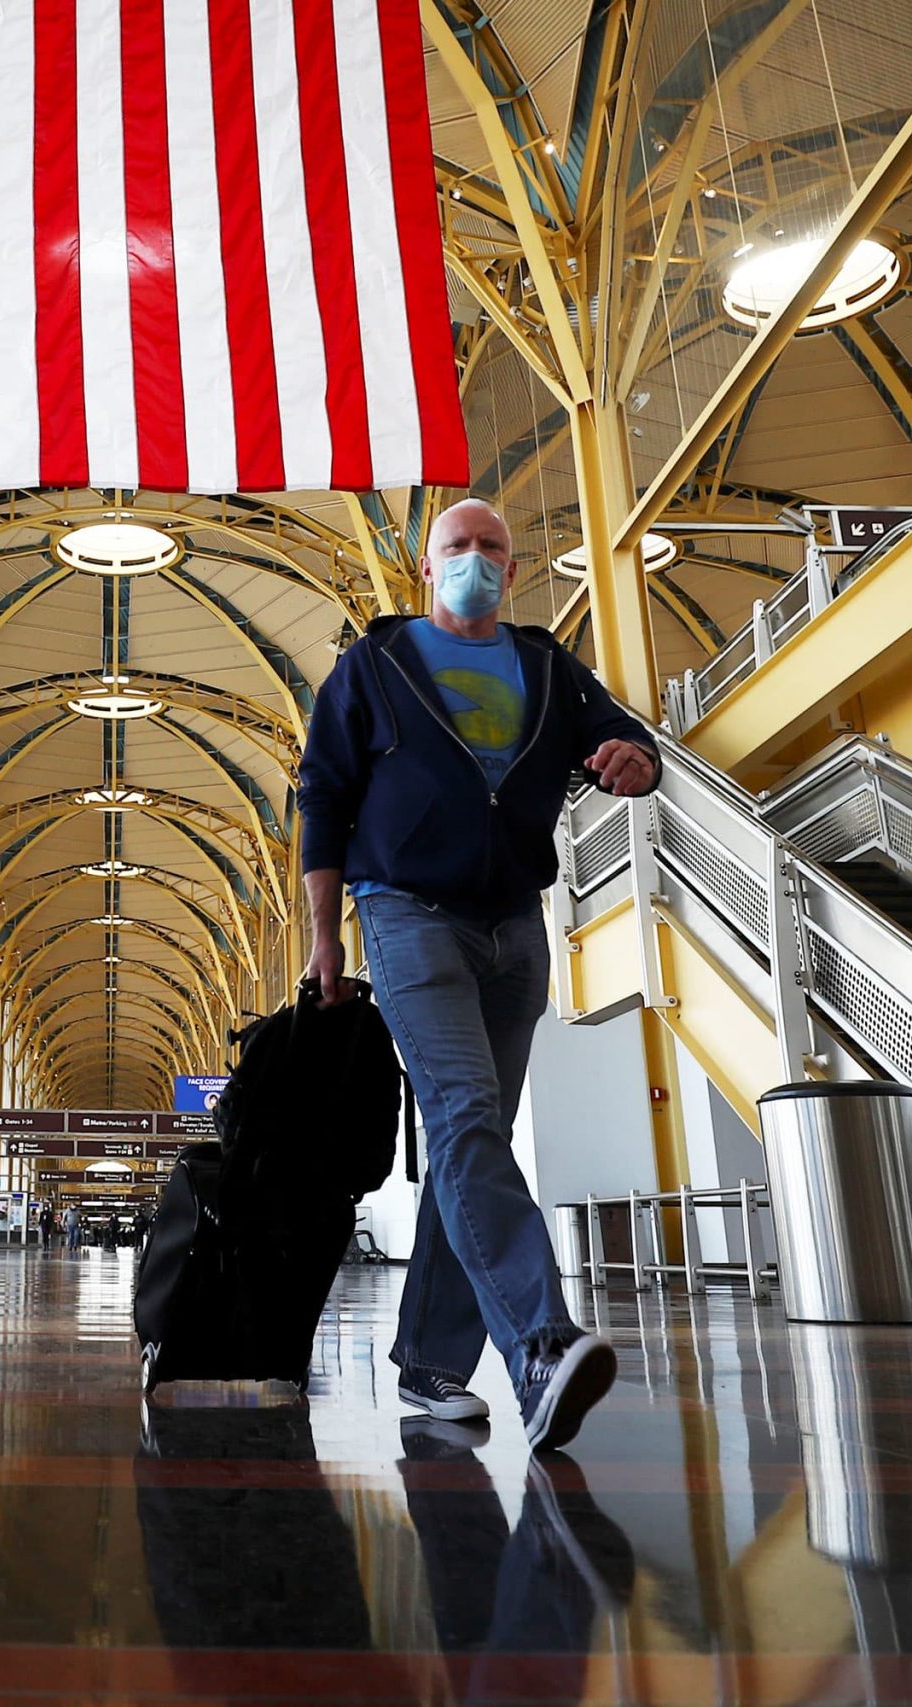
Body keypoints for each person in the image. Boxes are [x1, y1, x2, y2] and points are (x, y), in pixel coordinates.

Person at [297, 497, 659, 1453]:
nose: (475, 559)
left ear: (513, 565)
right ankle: (541, 1343)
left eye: (491, 546)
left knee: (475, 1138)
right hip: (405, 911)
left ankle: (427, 1359)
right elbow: (322, 795)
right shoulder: (375, 664)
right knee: (463, 1117)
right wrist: (325, 936)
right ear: (426, 566)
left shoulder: (547, 665)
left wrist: (634, 759)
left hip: (514, 925)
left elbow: (627, 737)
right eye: (456, 546)